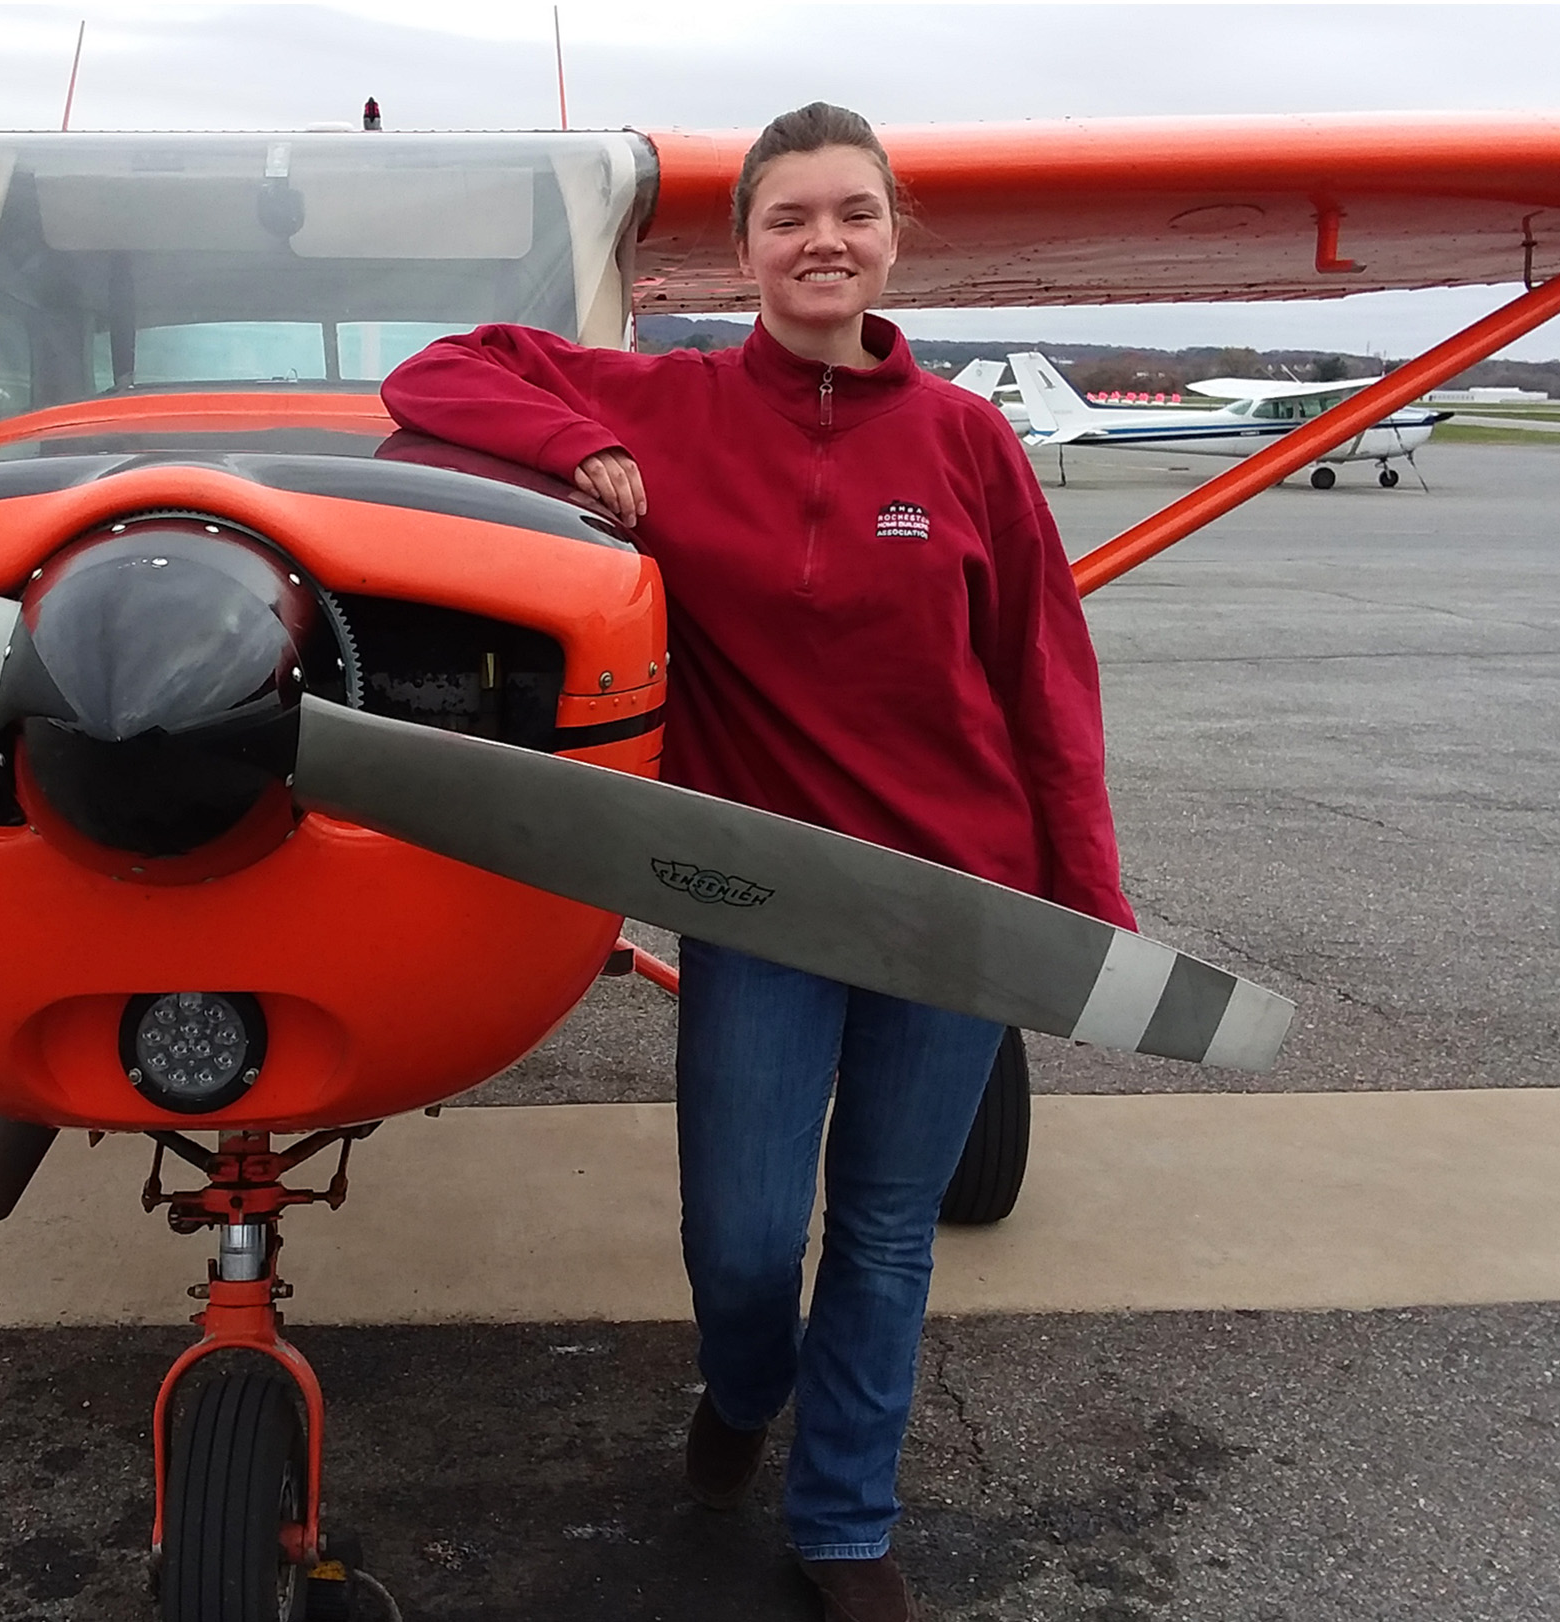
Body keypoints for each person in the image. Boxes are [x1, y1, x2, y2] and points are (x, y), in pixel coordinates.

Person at [380, 103, 1135, 1622]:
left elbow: (1045, 680)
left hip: (953, 900)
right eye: (789, 218)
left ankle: (844, 1516)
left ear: (891, 239)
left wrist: (1085, 919)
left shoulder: (970, 439)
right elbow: (439, 371)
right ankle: (743, 1380)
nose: (823, 241)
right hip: (761, 894)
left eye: (852, 213)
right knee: (738, 1236)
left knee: (881, 1227)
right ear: (741, 251)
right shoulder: (673, 402)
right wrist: (581, 439)